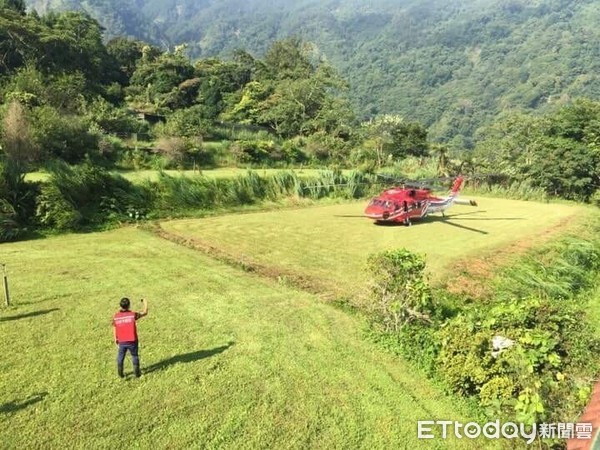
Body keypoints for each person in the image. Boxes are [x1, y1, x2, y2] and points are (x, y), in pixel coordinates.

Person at [113, 297, 148, 378]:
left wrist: (115, 338)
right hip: (132, 340)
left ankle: (120, 373)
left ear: (120, 305)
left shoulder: (116, 316)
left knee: (120, 357)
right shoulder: (133, 315)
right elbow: (145, 312)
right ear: (129, 306)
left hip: (122, 341)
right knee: (134, 356)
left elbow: (114, 326)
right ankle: (137, 374)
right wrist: (145, 302)